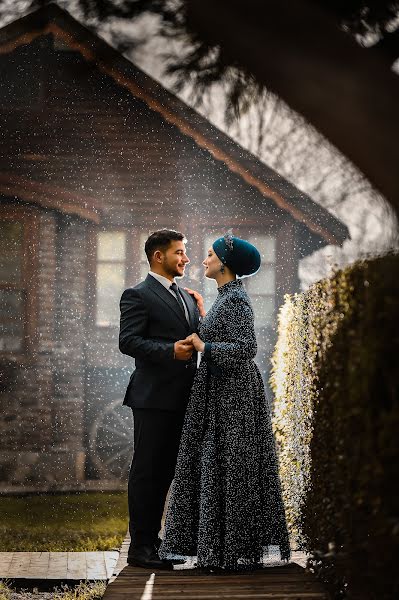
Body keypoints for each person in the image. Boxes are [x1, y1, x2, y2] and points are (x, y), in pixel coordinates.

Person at [159, 234, 290, 571]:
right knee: (218, 463)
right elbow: (224, 333)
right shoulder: (224, 298)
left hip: (234, 394)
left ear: (225, 265)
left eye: (210, 256)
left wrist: (205, 347)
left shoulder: (236, 301)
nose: (203, 260)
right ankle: (220, 547)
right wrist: (203, 316)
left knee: (231, 465)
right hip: (220, 390)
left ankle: (229, 548)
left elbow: (246, 349)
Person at [119, 229, 200, 569]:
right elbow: (128, 342)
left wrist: (201, 313)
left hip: (183, 398)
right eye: (179, 252)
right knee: (148, 473)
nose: (186, 258)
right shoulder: (136, 295)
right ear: (158, 256)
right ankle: (140, 548)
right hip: (153, 399)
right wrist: (170, 352)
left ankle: (155, 541)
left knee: (167, 472)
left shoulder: (186, 295)